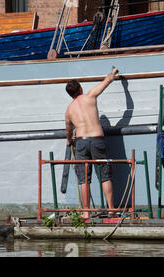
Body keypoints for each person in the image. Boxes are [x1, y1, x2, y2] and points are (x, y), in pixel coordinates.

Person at [65, 68, 119, 219]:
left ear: (70, 95)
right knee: (105, 176)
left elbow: (68, 131)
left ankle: (86, 211)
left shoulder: (69, 110)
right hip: (97, 140)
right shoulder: (90, 96)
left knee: (83, 179)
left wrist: (69, 141)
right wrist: (114, 71)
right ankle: (111, 209)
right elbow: (107, 81)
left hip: (81, 142)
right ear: (81, 89)